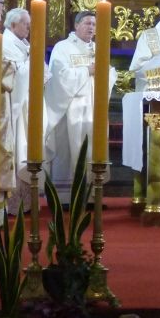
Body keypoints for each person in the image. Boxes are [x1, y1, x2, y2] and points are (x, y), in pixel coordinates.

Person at [44, 11, 117, 186]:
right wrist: (86, 71)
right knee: (70, 148)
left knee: (94, 147)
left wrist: (106, 73)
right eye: (87, 23)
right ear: (76, 25)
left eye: (94, 24)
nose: (91, 27)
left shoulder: (98, 48)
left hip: (94, 106)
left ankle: (92, 191)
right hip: (70, 108)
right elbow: (59, 76)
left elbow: (109, 74)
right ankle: (66, 194)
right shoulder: (63, 47)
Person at [0, 8, 30, 201]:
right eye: (25, 24)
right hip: (13, 104)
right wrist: (32, 64)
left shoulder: (22, 44)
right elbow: (13, 74)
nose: (28, 28)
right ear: (12, 25)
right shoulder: (6, 43)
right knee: (17, 146)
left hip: (26, 101)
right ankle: (14, 200)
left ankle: (25, 199)